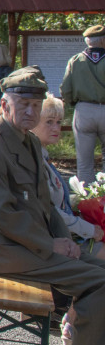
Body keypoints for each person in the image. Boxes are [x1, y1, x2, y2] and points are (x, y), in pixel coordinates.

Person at [0, 67, 105, 345]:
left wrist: (67, 240)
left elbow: (46, 204)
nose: (31, 112)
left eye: (36, 105)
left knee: (101, 269)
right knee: (99, 281)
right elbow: (3, 216)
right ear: (4, 105)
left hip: (34, 246)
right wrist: (51, 244)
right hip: (6, 250)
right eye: (23, 105)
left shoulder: (28, 141)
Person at [33, 95, 103, 252]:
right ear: (32, 123)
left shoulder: (43, 156)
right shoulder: (35, 160)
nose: (56, 128)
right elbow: (51, 211)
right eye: (49, 122)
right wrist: (90, 229)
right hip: (55, 239)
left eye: (58, 122)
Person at [61, 24, 105, 184]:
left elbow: (66, 89)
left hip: (84, 110)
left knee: (84, 162)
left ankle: (86, 201)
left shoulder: (75, 60)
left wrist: (74, 103)